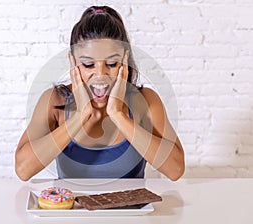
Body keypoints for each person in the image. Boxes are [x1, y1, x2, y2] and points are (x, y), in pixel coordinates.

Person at [15, 6, 185, 181]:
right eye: (88, 64)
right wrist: (80, 116)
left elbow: (175, 170)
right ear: (72, 61)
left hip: (131, 208)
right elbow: (23, 169)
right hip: (72, 208)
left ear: (125, 61)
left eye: (111, 63)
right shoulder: (54, 101)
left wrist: (118, 115)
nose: (100, 74)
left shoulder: (146, 100)